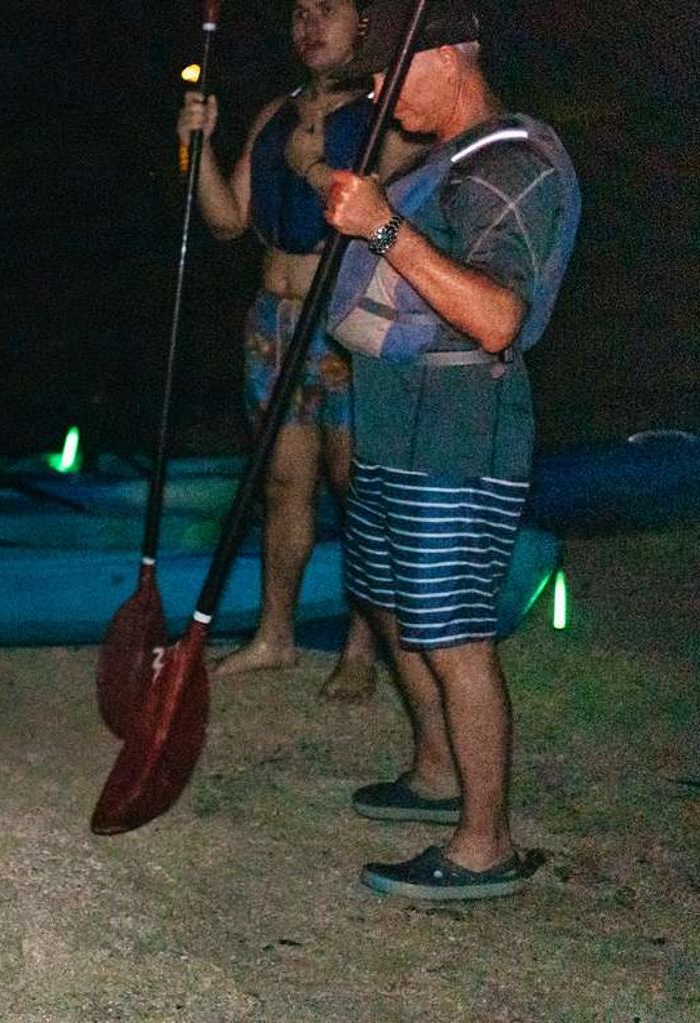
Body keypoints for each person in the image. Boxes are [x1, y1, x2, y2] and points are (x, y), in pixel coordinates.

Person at [321, 0, 580, 900]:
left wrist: (385, 228)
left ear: (451, 55)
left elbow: (498, 316)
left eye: (395, 75)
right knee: (394, 606)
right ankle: (437, 773)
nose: (384, 98)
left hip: (462, 434)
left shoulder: (517, 164)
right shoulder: (446, 164)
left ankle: (485, 845)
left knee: (455, 634)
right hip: (398, 425)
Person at [178, 0, 413, 699]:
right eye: (299, 13)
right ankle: (276, 635)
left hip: (344, 325)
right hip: (272, 324)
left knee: (356, 489)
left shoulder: (385, 116)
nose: (308, 25)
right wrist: (196, 148)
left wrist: (315, 167)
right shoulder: (275, 114)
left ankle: (360, 648)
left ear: (362, 25)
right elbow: (226, 221)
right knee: (282, 486)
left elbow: (391, 222)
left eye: (327, 11)